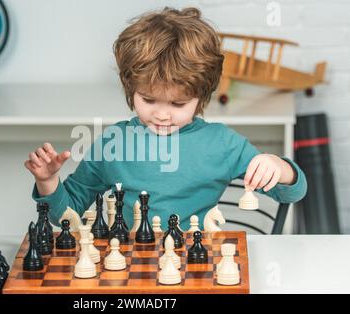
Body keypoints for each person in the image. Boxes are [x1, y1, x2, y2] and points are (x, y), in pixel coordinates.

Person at [24, 7, 307, 231]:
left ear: (202, 95)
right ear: (129, 88)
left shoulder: (223, 144)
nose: (161, 114)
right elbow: (65, 215)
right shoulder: (115, 142)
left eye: (178, 103)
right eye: (148, 100)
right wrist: (48, 181)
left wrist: (279, 168)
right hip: (128, 268)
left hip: (194, 271)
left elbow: (292, 194)